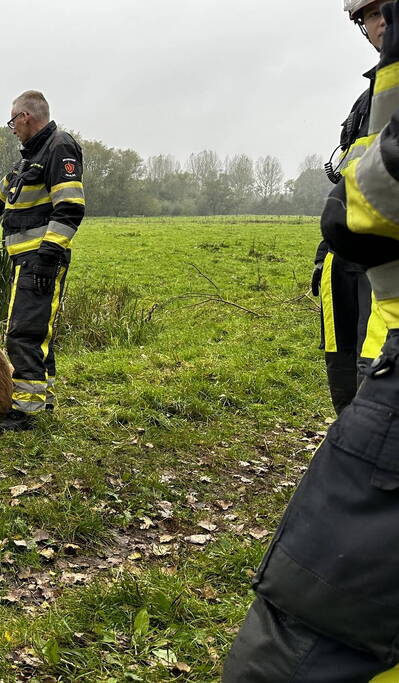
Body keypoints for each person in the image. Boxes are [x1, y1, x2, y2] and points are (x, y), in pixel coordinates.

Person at [223, 2, 399, 680]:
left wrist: (347, 206)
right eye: (360, 20)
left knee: (299, 644)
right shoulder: (367, 92)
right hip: (369, 304)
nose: (369, 27)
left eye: (372, 12)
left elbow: (369, 195)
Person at [0, 90, 85, 432]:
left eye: (12, 121)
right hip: (27, 260)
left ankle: (27, 412)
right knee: (36, 333)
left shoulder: (59, 147)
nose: (11, 128)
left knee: (23, 333)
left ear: (26, 116)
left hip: (40, 260)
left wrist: (48, 256)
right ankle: (42, 400)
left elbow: (70, 206)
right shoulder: (28, 160)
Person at [315, 0, 392, 415]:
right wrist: (325, 253)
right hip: (351, 273)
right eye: (370, 14)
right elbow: (353, 185)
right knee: (353, 397)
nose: (381, 22)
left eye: (387, 9)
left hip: (388, 281)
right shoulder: (371, 98)